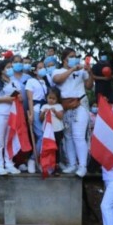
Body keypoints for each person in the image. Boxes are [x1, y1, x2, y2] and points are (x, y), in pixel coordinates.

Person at [52, 47, 94, 178]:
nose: (75, 58)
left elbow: (89, 86)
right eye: (72, 56)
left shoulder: (81, 70)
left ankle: (82, 166)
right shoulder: (57, 70)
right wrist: (72, 69)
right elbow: (57, 80)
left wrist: (90, 72)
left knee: (78, 136)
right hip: (64, 106)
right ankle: (72, 164)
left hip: (79, 104)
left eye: (76, 56)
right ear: (65, 59)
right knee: (68, 136)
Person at [0, 59, 22, 175]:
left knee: (9, 140)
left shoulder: (14, 82)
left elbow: (19, 97)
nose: (11, 69)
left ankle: (9, 163)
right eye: (8, 67)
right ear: (2, 70)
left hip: (12, 114)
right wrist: (5, 99)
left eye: (11, 66)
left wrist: (19, 97)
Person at [26, 61, 49, 164]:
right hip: (35, 109)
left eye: (43, 67)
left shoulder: (45, 81)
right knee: (41, 135)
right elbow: (30, 99)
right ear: (34, 71)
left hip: (44, 109)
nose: (42, 69)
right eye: (39, 68)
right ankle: (32, 158)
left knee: (45, 135)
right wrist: (30, 114)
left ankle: (39, 159)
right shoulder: (30, 81)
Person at [39, 88, 64, 175]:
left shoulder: (59, 106)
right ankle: (47, 165)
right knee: (47, 148)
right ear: (47, 97)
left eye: (54, 99)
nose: (51, 100)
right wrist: (43, 113)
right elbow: (40, 119)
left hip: (57, 130)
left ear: (57, 99)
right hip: (47, 132)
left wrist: (55, 112)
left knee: (56, 148)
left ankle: (56, 165)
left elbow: (61, 116)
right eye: (50, 98)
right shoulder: (44, 106)